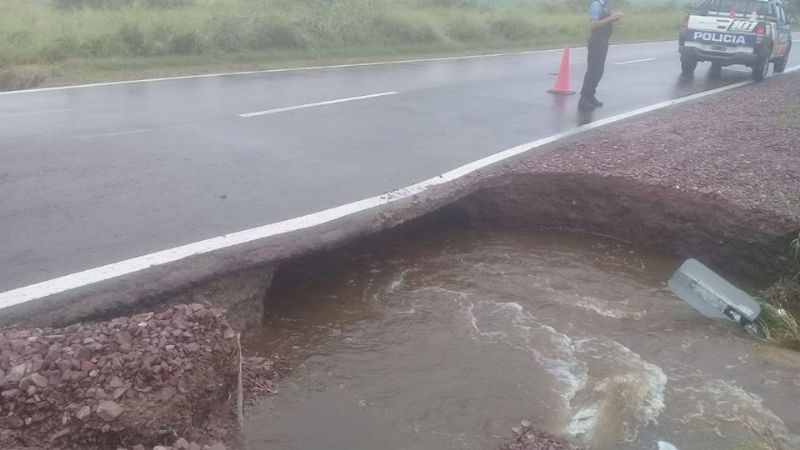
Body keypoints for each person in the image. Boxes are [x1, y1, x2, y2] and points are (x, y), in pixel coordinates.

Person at [578, 0, 624, 110]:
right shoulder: (596, 5)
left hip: (603, 41)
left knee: (598, 71)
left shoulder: (605, 6)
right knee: (593, 71)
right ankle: (584, 99)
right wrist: (611, 18)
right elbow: (593, 25)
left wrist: (613, 19)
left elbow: (604, 22)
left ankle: (590, 96)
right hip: (596, 42)